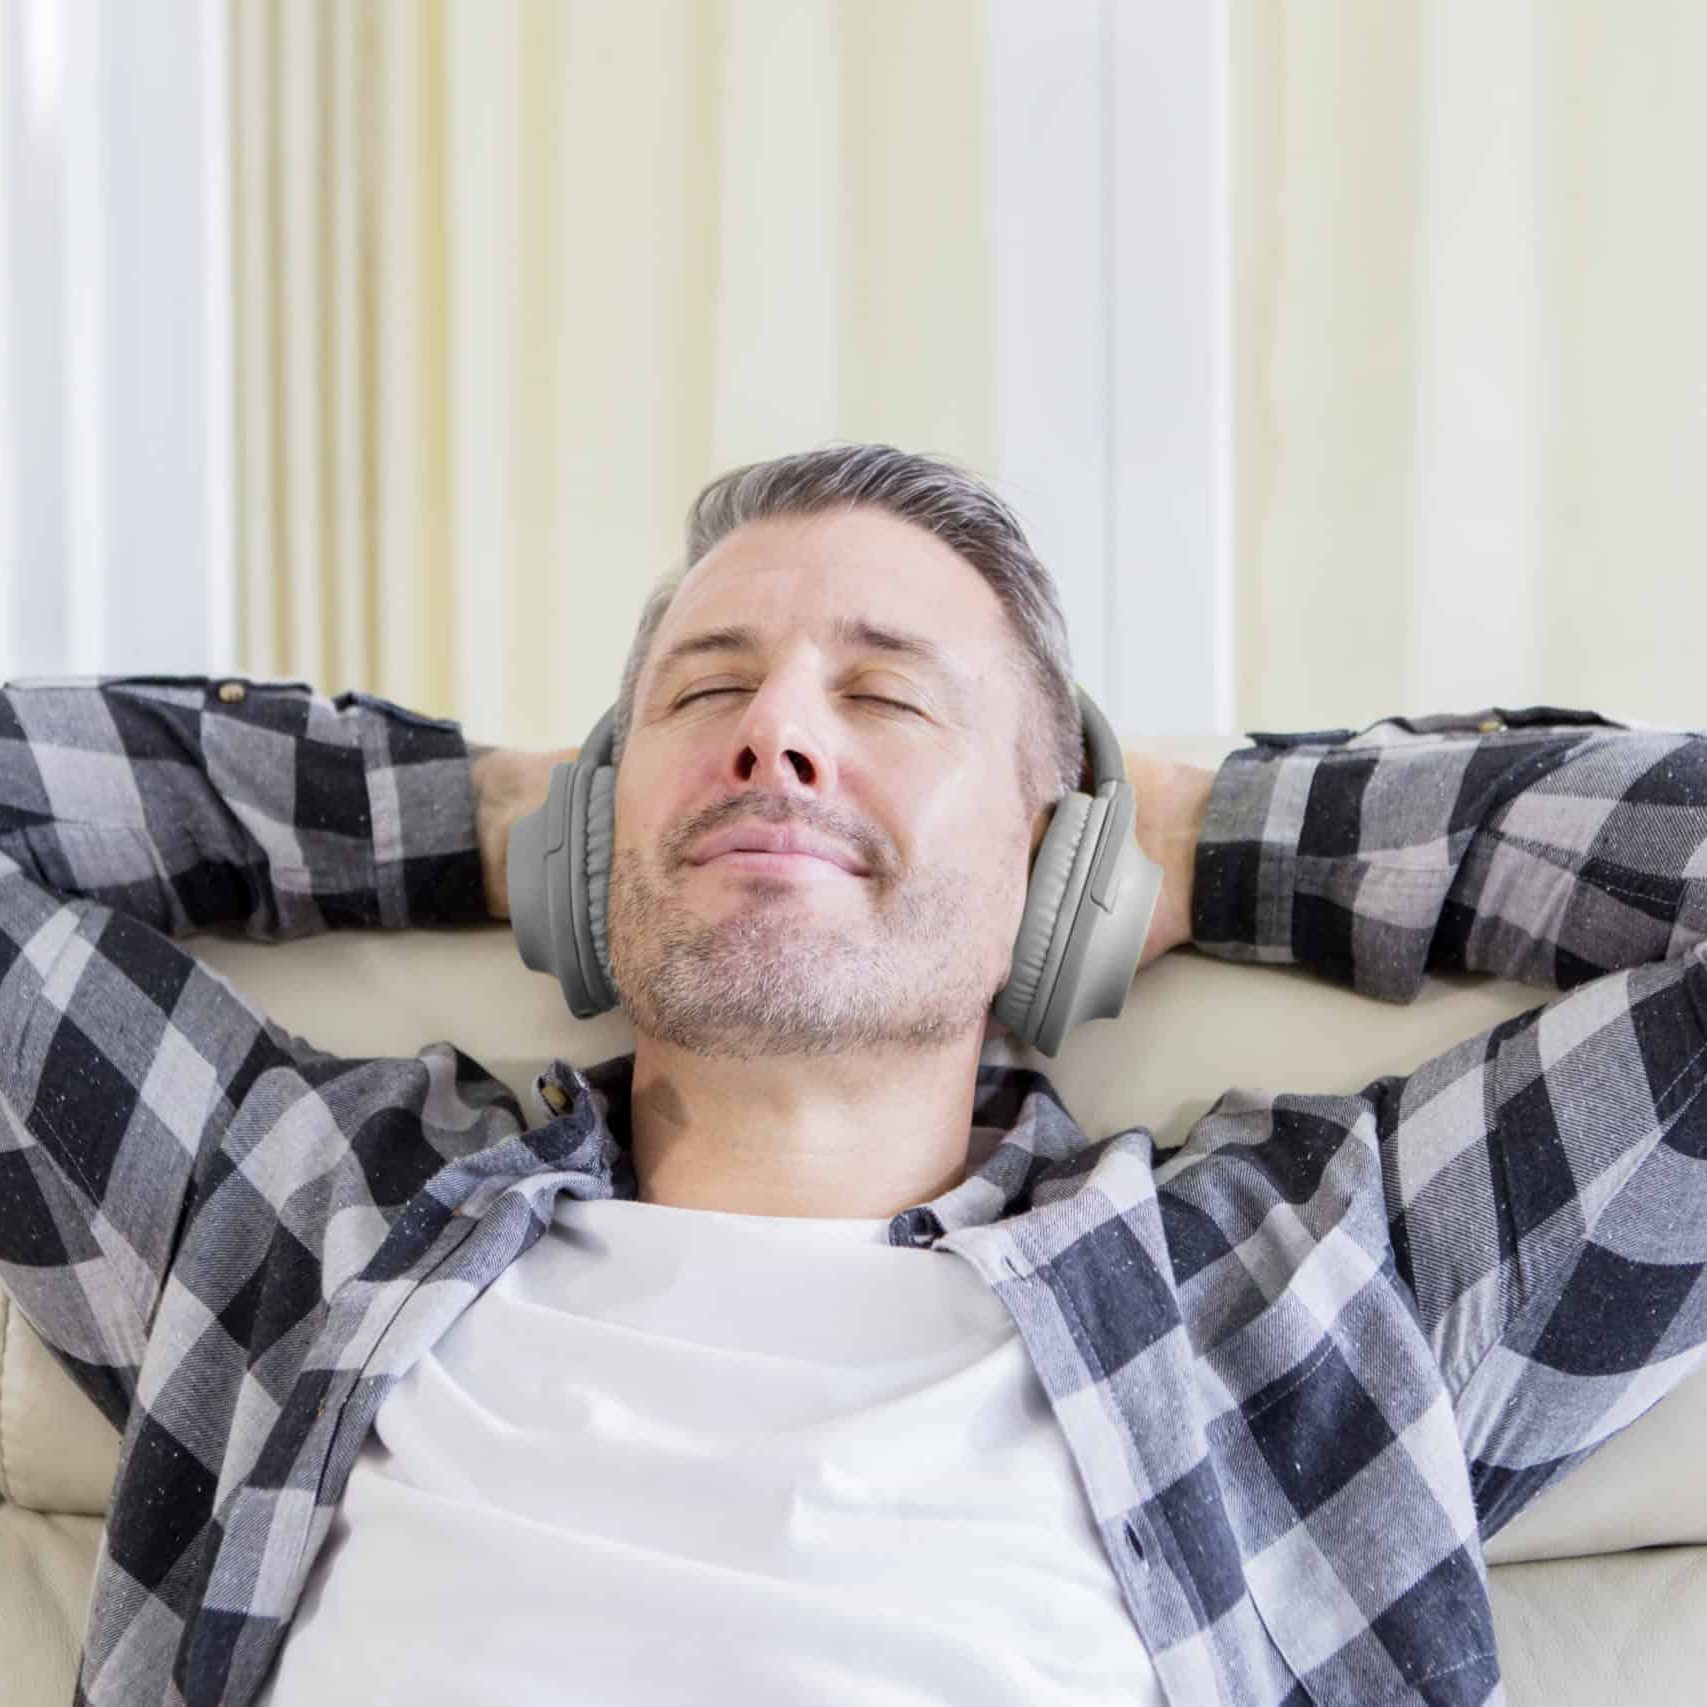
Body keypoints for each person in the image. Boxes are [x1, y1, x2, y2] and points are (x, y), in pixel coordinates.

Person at [0, 442, 1701, 1707]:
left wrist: (1233, 841)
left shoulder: (1300, 1288)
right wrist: (469, 820)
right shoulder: (292, 1212)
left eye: (884, 695)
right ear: (598, 836)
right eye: (706, 693)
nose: (775, 734)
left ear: (1064, 866)